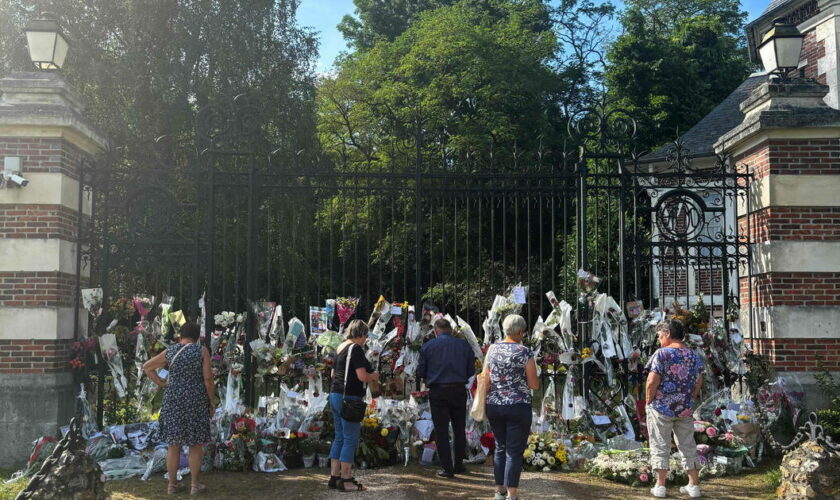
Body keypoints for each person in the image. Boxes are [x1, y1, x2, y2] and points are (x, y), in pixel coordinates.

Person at [143, 322, 216, 495]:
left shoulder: (171, 351)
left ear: (180, 335)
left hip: (173, 400)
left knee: (173, 445)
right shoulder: (201, 351)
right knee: (195, 444)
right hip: (195, 400)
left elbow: (147, 367)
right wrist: (212, 401)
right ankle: (194, 485)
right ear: (197, 337)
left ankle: (172, 485)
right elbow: (208, 379)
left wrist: (161, 383)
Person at [645, 319, 705, 499]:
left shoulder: (662, 354)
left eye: (660, 335)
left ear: (668, 333)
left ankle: (660, 485)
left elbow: (652, 381)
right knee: (687, 444)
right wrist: (690, 398)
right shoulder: (693, 355)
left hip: (661, 407)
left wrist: (649, 401)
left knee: (659, 443)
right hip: (684, 408)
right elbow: (699, 379)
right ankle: (693, 485)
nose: (659, 339)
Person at [485, 314, 539, 500]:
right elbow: (533, 384)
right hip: (518, 405)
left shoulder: (492, 349)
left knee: (500, 447)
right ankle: (512, 494)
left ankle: (499, 491)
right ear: (520, 332)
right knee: (514, 451)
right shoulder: (524, 352)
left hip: (494, 404)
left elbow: (486, 375)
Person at [417, 317, 475, 479]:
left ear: (435, 332)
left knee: (441, 431)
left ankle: (447, 468)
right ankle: (458, 464)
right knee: (459, 429)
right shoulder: (463, 345)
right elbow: (471, 370)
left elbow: (420, 372)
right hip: (458, 390)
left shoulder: (428, 347)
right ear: (451, 330)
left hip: (438, 391)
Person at [328, 319, 379, 492]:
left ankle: (334, 477)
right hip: (349, 397)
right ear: (361, 334)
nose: (366, 339)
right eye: (365, 335)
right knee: (350, 439)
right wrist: (374, 376)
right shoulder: (356, 349)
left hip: (335, 394)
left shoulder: (340, 347)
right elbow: (362, 376)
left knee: (339, 437)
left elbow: (333, 373)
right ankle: (346, 479)